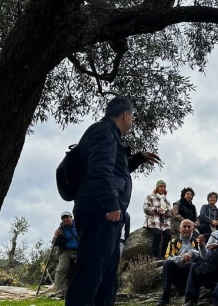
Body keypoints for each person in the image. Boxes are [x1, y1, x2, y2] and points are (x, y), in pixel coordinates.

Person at [66, 96, 160, 306]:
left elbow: (116, 170)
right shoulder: (104, 131)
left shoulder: (108, 134)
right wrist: (111, 204)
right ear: (125, 115)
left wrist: (138, 159)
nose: (132, 122)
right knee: (90, 274)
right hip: (99, 212)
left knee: (107, 278)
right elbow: (99, 169)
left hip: (103, 214)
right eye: (132, 117)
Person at [156, 219, 200, 306]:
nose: (186, 229)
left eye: (189, 227)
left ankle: (191, 300)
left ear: (192, 229)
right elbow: (168, 257)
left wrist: (190, 253)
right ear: (180, 229)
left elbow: (202, 254)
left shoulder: (196, 241)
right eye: (184, 226)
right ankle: (165, 297)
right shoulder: (172, 242)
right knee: (167, 264)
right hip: (178, 270)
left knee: (195, 265)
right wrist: (182, 259)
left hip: (191, 272)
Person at [144, 180, 174, 258]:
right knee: (157, 234)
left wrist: (166, 211)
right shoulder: (150, 197)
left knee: (168, 235)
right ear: (157, 187)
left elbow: (171, 213)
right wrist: (156, 210)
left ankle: (164, 255)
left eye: (164, 187)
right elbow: (145, 208)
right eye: (161, 186)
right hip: (154, 221)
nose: (163, 188)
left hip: (165, 223)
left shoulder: (167, 201)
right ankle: (155, 256)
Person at [53, 211, 78, 299]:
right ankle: (59, 293)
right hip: (66, 251)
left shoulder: (79, 224)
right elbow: (55, 244)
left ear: (71, 217)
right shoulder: (61, 228)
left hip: (80, 251)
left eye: (67, 217)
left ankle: (79, 292)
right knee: (60, 270)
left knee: (80, 271)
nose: (65, 219)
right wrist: (57, 236)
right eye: (63, 218)